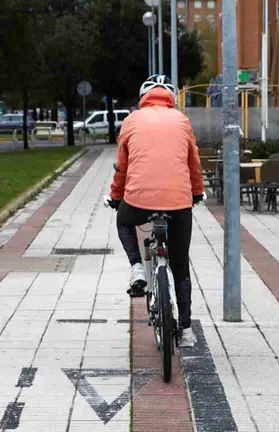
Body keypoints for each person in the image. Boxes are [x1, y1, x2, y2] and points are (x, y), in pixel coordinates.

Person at [105, 75, 205, 347]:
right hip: (179, 202)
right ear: (171, 97)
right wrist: (197, 192)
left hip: (139, 200)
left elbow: (122, 167)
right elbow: (193, 163)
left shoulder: (131, 121)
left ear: (143, 97)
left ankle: (137, 267)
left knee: (123, 221)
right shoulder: (182, 121)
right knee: (181, 266)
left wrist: (116, 197)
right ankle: (185, 331)